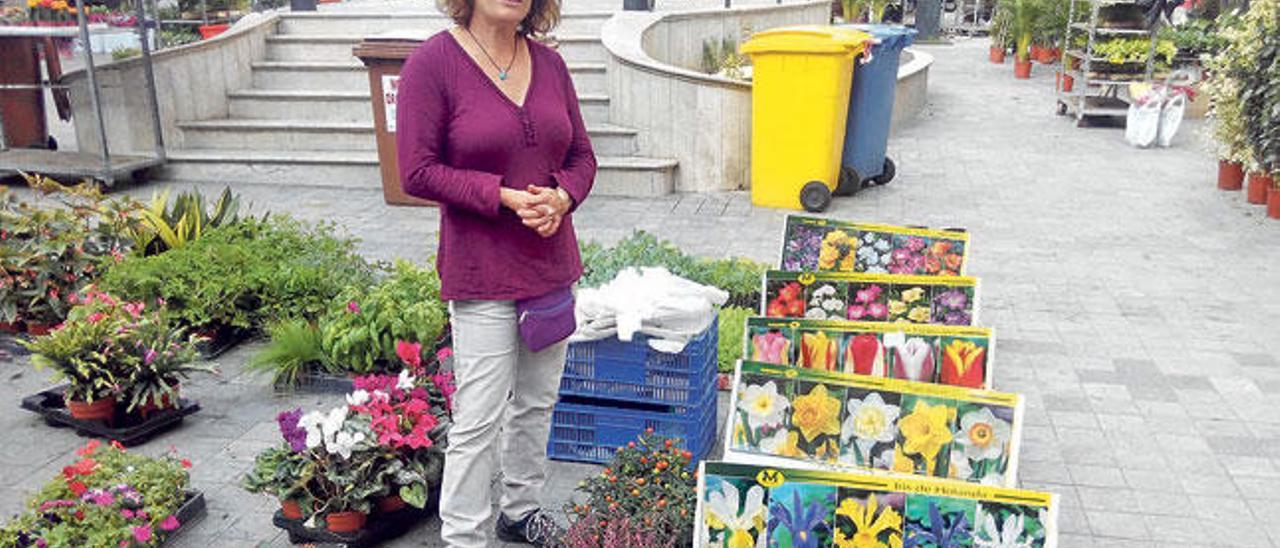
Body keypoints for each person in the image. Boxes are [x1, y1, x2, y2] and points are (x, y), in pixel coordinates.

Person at [394, 0, 596, 542]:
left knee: (537, 403)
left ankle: (521, 510)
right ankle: (464, 535)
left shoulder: (550, 65)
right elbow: (414, 169)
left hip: (549, 267)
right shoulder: (431, 65)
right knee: (478, 417)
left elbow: (582, 157)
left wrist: (562, 197)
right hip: (481, 269)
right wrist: (501, 196)